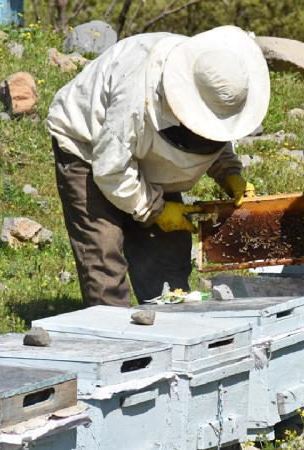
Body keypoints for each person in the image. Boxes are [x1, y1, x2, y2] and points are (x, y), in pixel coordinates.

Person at [46, 26, 268, 307]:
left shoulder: (213, 78)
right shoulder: (136, 97)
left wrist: (230, 174)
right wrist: (156, 209)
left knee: (168, 255)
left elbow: (214, 132)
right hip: (88, 146)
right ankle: (115, 338)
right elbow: (110, 168)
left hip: (145, 156)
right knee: (103, 251)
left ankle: (168, 330)